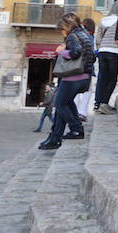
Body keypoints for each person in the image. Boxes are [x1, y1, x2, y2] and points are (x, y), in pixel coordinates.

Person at [39, 12, 94, 150]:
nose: (61, 33)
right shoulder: (85, 34)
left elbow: (75, 53)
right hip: (83, 76)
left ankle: (76, 129)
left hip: (73, 77)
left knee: (60, 104)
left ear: (67, 26)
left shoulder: (72, 37)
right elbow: (92, 57)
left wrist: (61, 51)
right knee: (66, 103)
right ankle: (55, 138)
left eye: (62, 30)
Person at [94, 4, 118, 115]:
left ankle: (97, 103)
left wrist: (100, 48)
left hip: (102, 51)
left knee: (102, 78)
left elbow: (98, 38)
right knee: (112, 79)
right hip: (114, 52)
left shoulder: (103, 20)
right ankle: (104, 104)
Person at [75, 17, 98, 120]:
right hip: (87, 67)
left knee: (76, 90)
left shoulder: (77, 35)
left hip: (76, 66)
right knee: (87, 90)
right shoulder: (91, 37)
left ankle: (74, 111)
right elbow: (91, 52)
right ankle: (82, 112)